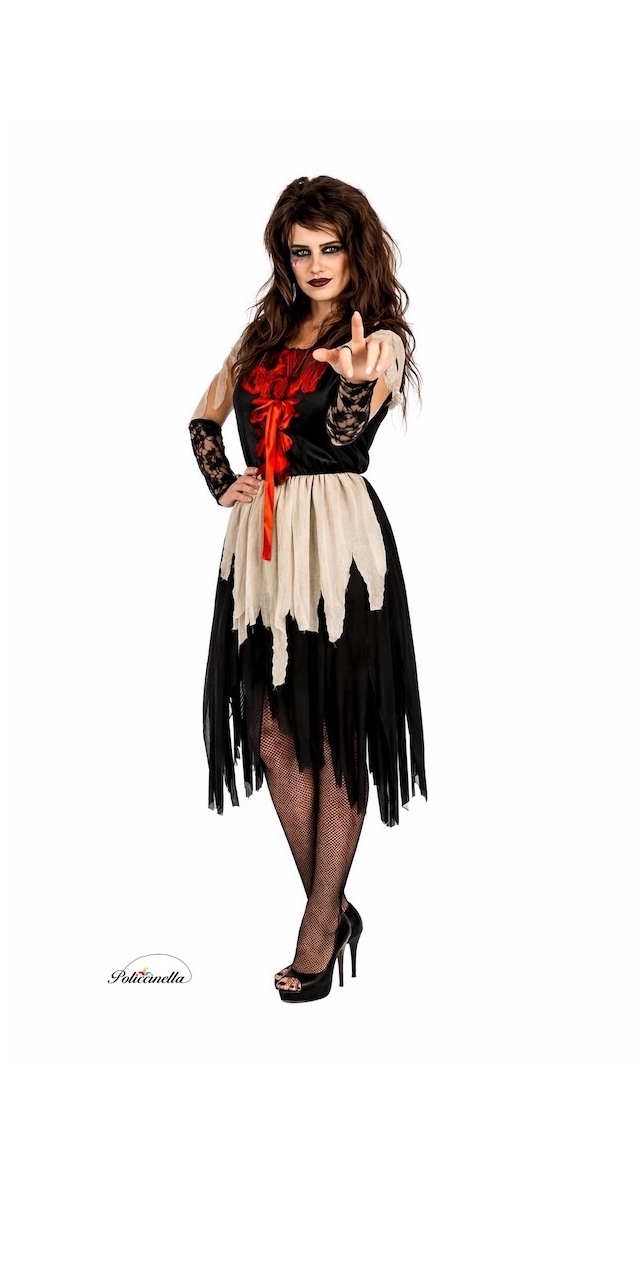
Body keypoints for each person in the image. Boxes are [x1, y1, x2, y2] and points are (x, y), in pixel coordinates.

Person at [188, 174, 427, 1002]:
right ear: (284, 258)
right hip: (263, 547)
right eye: (301, 250)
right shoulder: (261, 337)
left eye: (331, 247)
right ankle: (333, 903)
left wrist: (354, 378)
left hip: (338, 543)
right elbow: (203, 418)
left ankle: (320, 922)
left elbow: (344, 433)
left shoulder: (379, 337)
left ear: (356, 251)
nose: (317, 263)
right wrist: (222, 482)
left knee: (333, 731)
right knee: (272, 733)